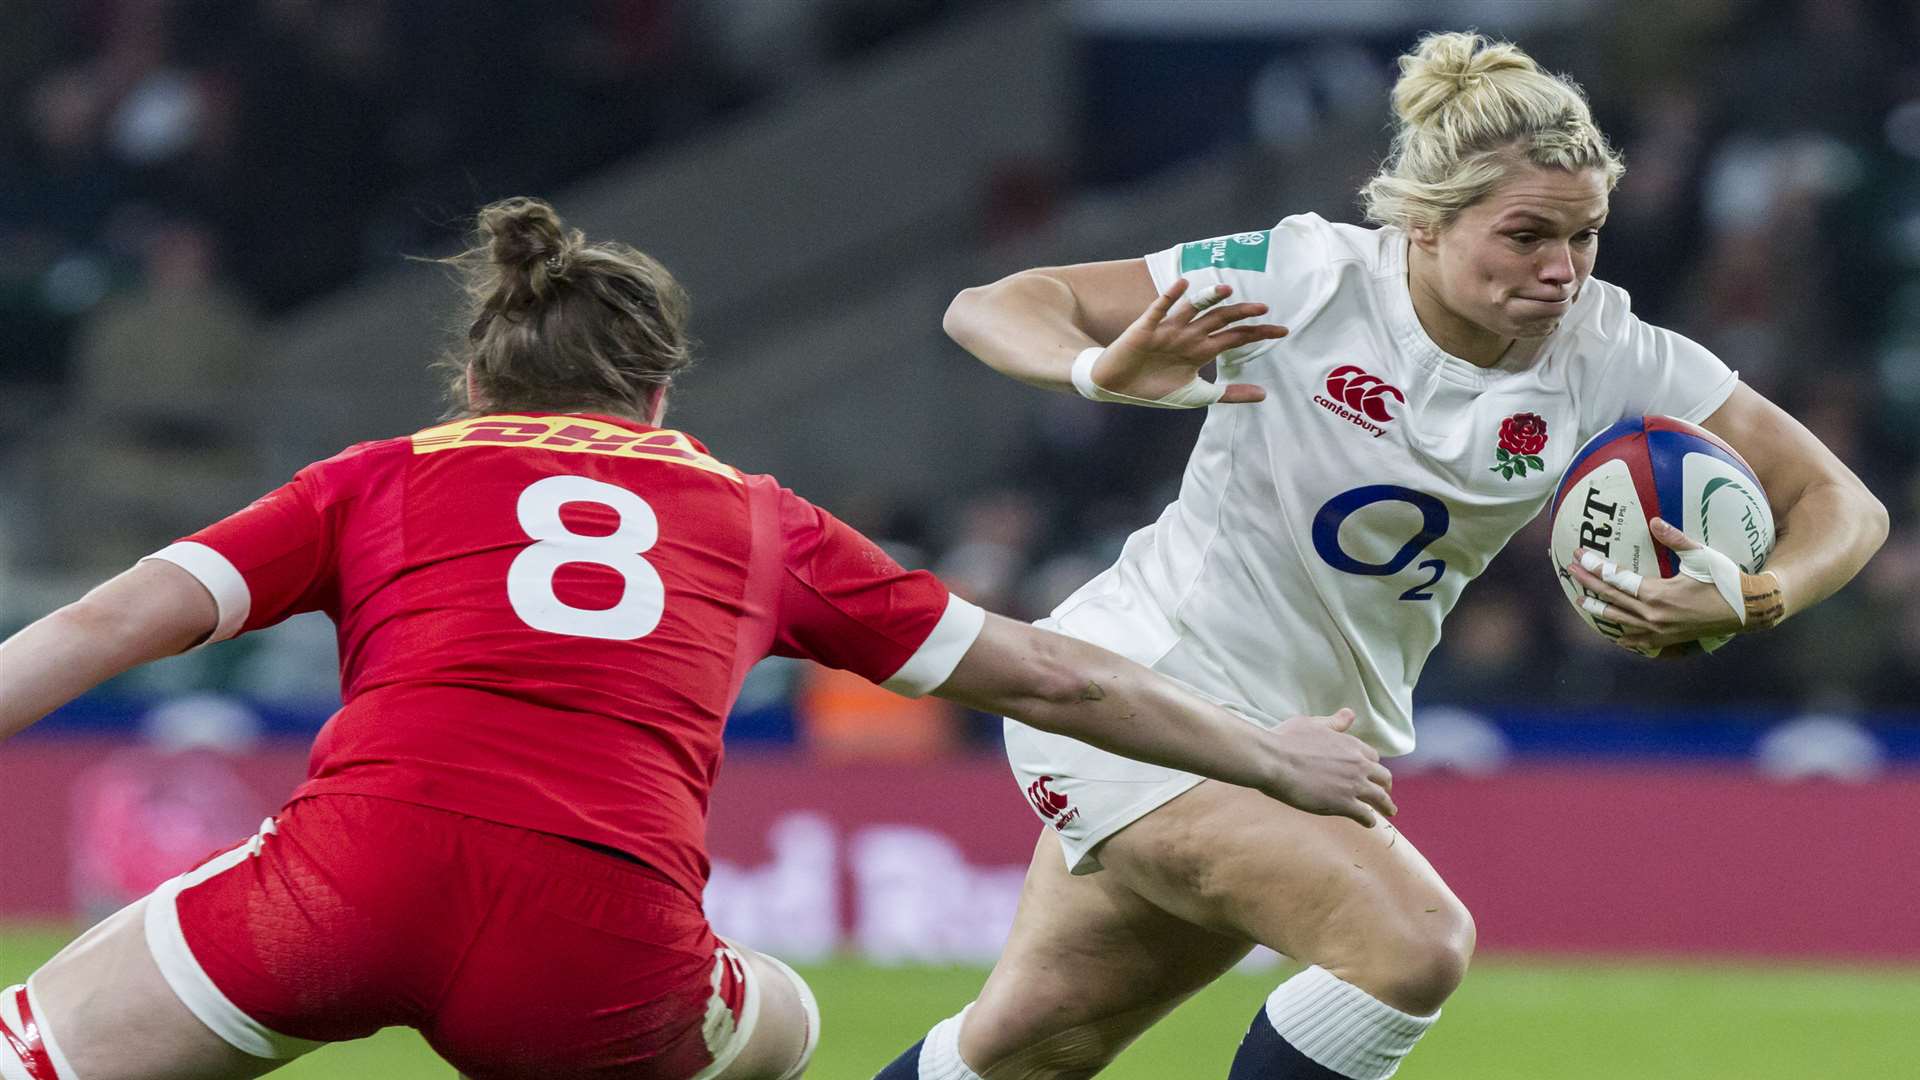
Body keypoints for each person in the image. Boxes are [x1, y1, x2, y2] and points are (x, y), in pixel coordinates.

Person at [0, 198, 1398, 1080]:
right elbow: (1056, 672)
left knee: (46, 1039)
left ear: (477, 377)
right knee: (777, 1019)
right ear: (660, 396)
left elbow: (108, 623)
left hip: (348, 883)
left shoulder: (379, 474)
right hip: (599, 948)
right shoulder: (757, 520)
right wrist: (1271, 760)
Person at [874, 31, 1887, 1080]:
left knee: (1027, 1049)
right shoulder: (1309, 278)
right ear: (1424, 222)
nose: (1561, 270)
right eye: (1527, 234)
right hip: (1142, 697)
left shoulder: (1608, 348)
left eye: (1585, 235)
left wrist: (1759, 594)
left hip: (1302, 745)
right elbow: (994, 306)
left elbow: (1841, 504)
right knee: (1412, 945)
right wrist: (1095, 368)